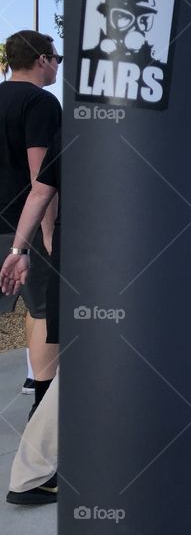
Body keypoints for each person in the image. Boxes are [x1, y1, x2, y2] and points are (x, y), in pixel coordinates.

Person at [0, 31, 61, 407]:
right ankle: (43, 405)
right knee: (43, 312)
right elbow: (44, 179)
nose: (56, 66)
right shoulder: (40, 103)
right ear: (40, 59)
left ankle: (31, 380)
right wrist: (48, 231)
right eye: (56, 58)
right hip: (22, 225)